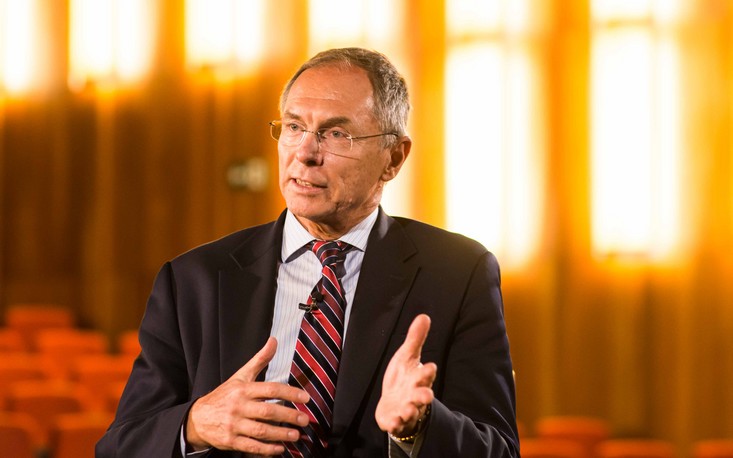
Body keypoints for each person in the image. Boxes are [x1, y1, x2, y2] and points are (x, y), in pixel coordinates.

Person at [96, 47, 519, 457]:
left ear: (393, 158)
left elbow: (499, 449)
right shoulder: (194, 279)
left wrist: (420, 427)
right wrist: (195, 425)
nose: (305, 153)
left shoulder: (457, 274)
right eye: (294, 127)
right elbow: (120, 446)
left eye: (336, 134)